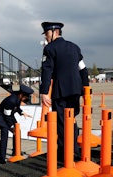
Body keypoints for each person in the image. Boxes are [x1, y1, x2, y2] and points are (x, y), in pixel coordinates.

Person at [39, 22, 89, 161]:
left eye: (47, 33)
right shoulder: (74, 47)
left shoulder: (49, 49)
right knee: (72, 121)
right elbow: (83, 70)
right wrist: (86, 90)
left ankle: (64, 153)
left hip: (61, 91)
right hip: (75, 90)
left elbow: (47, 71)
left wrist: (44, 92)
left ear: (55, 32)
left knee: (61, 123)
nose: (46, 36)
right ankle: (75, 151)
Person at [0, 84, 34, 164]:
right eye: (26, 97)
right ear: (21, 95)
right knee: (4, 137)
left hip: (9, 116)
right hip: (2, 118)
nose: (26, 99)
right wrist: (12, 127)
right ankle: (1, 159)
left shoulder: (17, 97)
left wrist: (22, 113)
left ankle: (16, 152)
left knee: (17, 132)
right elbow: (6, 115)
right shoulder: (11, 100)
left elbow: (16, 107)